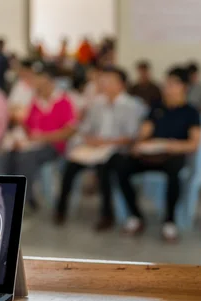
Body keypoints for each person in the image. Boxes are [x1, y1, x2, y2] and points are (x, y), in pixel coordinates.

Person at [114, 67, 201, 242]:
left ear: (184, 87)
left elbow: (193, 144)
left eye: (172, 84)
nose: (167, 88)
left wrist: (170, 145)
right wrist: (139, 142)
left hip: (173, 155)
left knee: (174, 171)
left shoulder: (191, 112)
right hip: (151, 155)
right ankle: (135, 216)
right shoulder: (157, 107)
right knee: (121, 165)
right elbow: (145, 131)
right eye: (166, 83)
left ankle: (169, 221)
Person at [55, 66, 143, 231]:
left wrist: (106, 142)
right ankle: (60, 209)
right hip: (94, 147)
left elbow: (131, 136)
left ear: (121, 84)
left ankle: (107, 214)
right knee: (70, 165)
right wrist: (90, 139)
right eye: (104, 80)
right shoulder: (97, 103)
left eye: (110, 81)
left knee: (105, 168)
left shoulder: (131, 105)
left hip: (117, 149)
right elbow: (86, 128)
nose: (105, 84)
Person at [1, 60, 77, 209]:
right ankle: (10, 196)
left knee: (26, 157)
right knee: (9, 154)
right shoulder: (36, 101)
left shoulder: (64, 101)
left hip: (54, 146)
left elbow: (69, 132)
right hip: (34, 142)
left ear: (48, 80)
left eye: (38, 78)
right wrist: (20, 137)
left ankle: (19, 200)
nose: (34, 82)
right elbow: (29, 127)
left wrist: (42, 138)